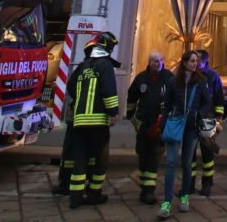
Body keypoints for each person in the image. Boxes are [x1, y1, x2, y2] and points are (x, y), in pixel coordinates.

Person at [64, 31, 121, 208]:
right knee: (100, 158)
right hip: (97, 122)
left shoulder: (83, 66)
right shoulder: (105, 66)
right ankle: (94, 193)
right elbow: (108, 90)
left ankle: (75, 196)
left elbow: (71, 88)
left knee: (80, 158)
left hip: (80, 121)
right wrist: (113, 113)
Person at [158, 50, 213, 219]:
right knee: (171, 163)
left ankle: (184, 196)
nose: (194, 63)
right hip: (175, 124)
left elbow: (207, 103)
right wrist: (163, 124)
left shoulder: (201, 81)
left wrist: (198, 114)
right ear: (184, 63)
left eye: (196, 61)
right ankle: (166, 202)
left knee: (187, 163)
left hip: (191, 127)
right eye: (191, 61)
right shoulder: (174, 82)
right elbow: (166, 105)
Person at [126, 51, 173, 204]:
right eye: (154, 61)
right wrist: (131, 116)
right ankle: (143, 182)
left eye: (160, 60)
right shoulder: (141, 78)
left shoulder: (169, 78)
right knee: (142, 153)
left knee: (154, 155)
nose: (157, 63)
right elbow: (132, 97)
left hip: (159, 124)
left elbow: (175, 98)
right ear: (149, 62)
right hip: (143, 123)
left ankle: (149, 190)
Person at [193, 49, 226, 196]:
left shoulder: (212, 76)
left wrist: (218, 118)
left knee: (207, 153)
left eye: (198, 59)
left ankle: (207, 182)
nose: (195, 62)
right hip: (192, 119)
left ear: (205, 61)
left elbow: (219, 98)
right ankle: (189, 183)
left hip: (207, 120)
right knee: (190, 154)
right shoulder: (191, 75)